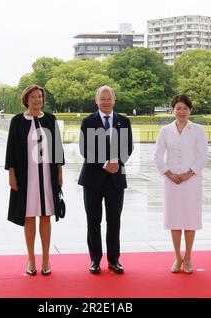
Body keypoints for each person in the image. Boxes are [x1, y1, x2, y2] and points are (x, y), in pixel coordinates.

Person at [5, 85, 64, 276]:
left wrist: (59, 173)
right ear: (26, 99)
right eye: (33, 97)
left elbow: (57, 149)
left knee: (46, 216)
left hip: (47, 176)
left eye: (40, 96)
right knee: (28, 216)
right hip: (25, 176)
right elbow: (11, 150)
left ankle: (46, 258)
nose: (37, 100)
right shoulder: (17, 121)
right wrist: (11, 174)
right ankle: (31, 258)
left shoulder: (50, 119)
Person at [78, 86, 133, 275]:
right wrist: (104, 163)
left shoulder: (123, 121)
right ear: (97, 101)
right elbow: (84, 149)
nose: (106, 102)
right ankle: (95, 260)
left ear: (114, 100)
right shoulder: (88, 122)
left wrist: (117, 162)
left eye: (109, 98)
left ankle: (114, 260)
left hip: (116, 179)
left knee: (114, 221)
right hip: (92, 179)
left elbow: (128, 147)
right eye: (103, 99)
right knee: (93, 222)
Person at [154, 94, 208, 274]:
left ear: (190, 110)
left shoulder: (198, 130)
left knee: (190, 220)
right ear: (172, 110)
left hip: (192, 181)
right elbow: (157, 156)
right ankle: (177, 257)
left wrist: (189, 173)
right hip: (171, 182)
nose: (182, 111)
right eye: (178, 108)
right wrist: (168, 173)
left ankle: (189, 257)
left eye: (185, 108)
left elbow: (203, 156)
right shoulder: (165, 131)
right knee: (175, 220)